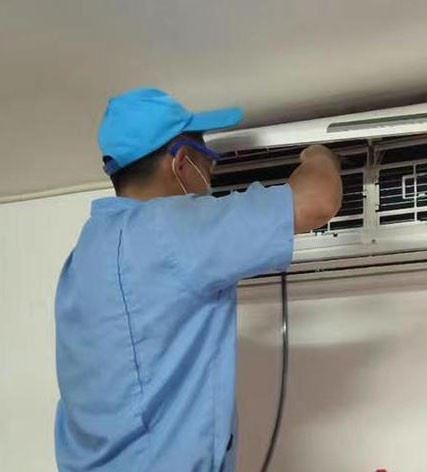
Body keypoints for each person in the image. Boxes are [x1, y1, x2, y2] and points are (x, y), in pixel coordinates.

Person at [54, 88, 342, 471]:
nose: (210, 175)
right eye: (208, 162)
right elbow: (318, 201)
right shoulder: (171, 228)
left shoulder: (83, 256)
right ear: (181, 162)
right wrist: (319, 154)